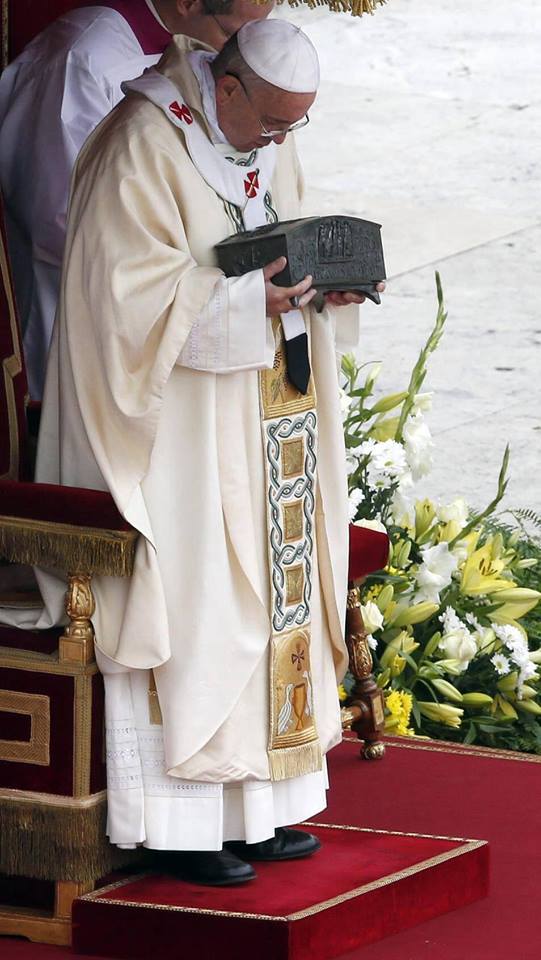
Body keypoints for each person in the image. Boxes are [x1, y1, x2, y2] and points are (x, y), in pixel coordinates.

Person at [27, 17, 376, 886]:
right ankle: (183, 829)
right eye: (270, 123)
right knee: (206, 609)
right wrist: (233, 302)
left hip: (266, 412)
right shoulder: (140, 141)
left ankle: (261, 811)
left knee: (270, 606)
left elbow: (288, 223)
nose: (279, 142)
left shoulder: (263, 129)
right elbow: (117, 296)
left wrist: (323, 283)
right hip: (176, 430)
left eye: (295, 127)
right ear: (225, 88)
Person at [0, 0, 273, 399]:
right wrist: (196, 289)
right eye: (235, 36)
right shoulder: (84, 59)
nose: (243, 56)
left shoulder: (207, 57)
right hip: (84, 320)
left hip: (181, 312)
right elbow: (62, 218)